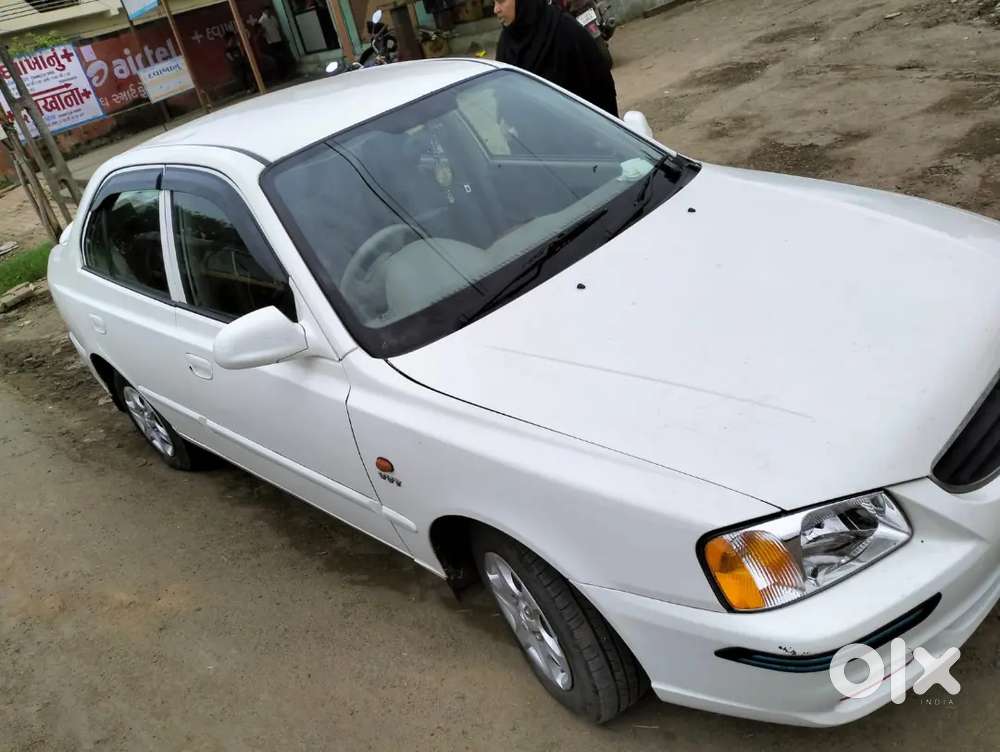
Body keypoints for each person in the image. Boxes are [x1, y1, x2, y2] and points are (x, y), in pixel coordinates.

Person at [494, 0, 618, 117]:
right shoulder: (506, 43)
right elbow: (503, 96)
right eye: (493, 3)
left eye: (501, 1)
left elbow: (601, 86)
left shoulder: (564, 30)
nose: (496, 9)